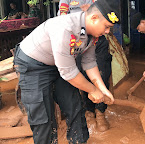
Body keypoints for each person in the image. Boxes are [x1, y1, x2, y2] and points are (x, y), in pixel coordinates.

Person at [13, 0, 120, 143]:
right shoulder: (66, 28)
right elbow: (68, 73)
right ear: (94, 18)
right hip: (33, 65)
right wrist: (92, 90)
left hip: (59, 65)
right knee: (43, 118)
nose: (107, 31)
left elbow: (89, 62)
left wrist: (102, 89)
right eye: (106, 27)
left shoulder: (93, 35)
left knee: (74, 106)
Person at [57, 0, 112, 132]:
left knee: (102, 71)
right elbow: (62, 18)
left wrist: (93, 11)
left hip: (97, 38)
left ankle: (100, 112)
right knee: (80, 74)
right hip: (75, 39)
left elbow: (105, 14)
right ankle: (89, 110)